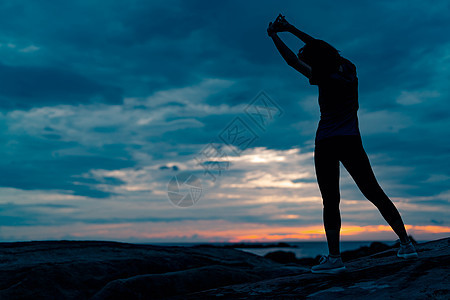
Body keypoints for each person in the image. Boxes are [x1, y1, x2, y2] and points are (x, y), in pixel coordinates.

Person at [267, 14, 418, 274]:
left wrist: (275, 36)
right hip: (351, 140)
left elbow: (292, 60)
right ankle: (406, 243)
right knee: (374, 191)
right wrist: (291, 28)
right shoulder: (349, 68)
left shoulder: (322, 76)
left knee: (330, 200)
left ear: (315, 61)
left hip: (326, 142)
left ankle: (335, 258)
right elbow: (320, 46)